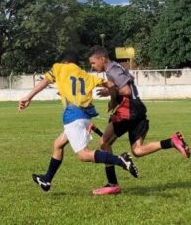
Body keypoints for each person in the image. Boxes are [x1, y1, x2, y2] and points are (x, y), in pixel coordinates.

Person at [19, 51, 139, 192]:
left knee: (83, 155)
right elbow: (111, 84)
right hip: (85, 117)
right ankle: (47, 179)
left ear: (64, 62)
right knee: (58, 144)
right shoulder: (86, 75)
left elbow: (45, 80)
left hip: (73, 116)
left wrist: (28, 97)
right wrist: (113, 100)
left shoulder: (59, 67)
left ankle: (120, 160)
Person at [88, 46, 190, 195]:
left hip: (128, 112)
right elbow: (128, 84)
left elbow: (126, 91)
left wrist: (111, 92)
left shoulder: (112, 70)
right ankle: (172, 142)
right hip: (138, 110)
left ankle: (112, 183)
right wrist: (112, 99)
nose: (92, 66)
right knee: (137, 150)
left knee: (104, 143)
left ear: (102, 59)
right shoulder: (117, 67)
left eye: (93, 62)